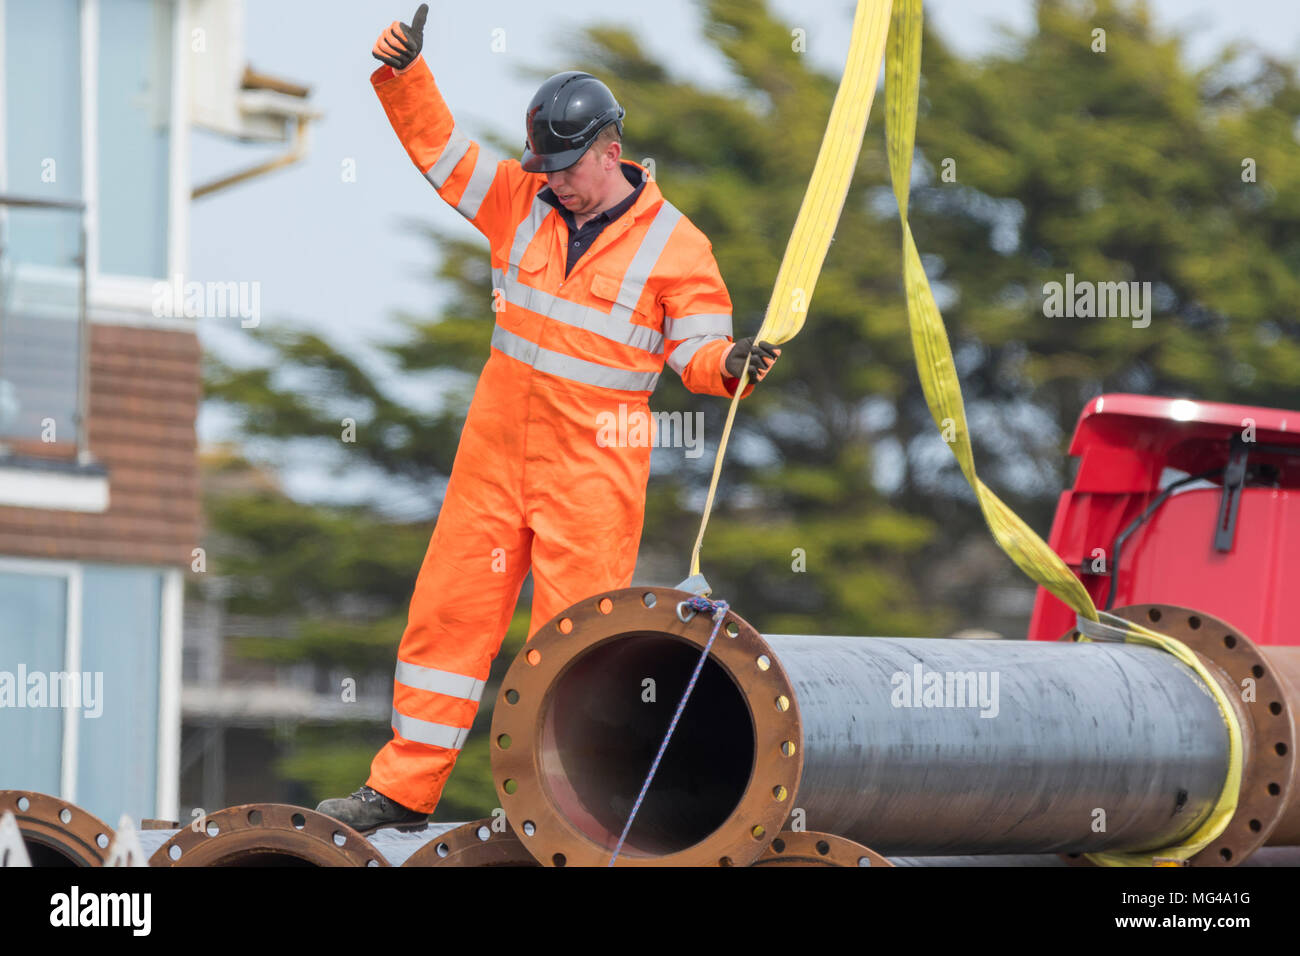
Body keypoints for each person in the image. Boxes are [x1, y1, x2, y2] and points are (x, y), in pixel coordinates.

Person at [317, 3, 781, 833]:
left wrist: (732, 366)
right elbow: (441, 154)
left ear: (612, 149)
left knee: (575, 651)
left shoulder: (679, 248)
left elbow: (700, 353)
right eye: (547, 164)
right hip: (492, 461)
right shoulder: (517, 197)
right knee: (447, 619)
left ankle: (567, 812)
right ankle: (401, 791)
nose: (555, 178)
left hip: (593, 476)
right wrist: (403, 74)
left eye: (568, 164)